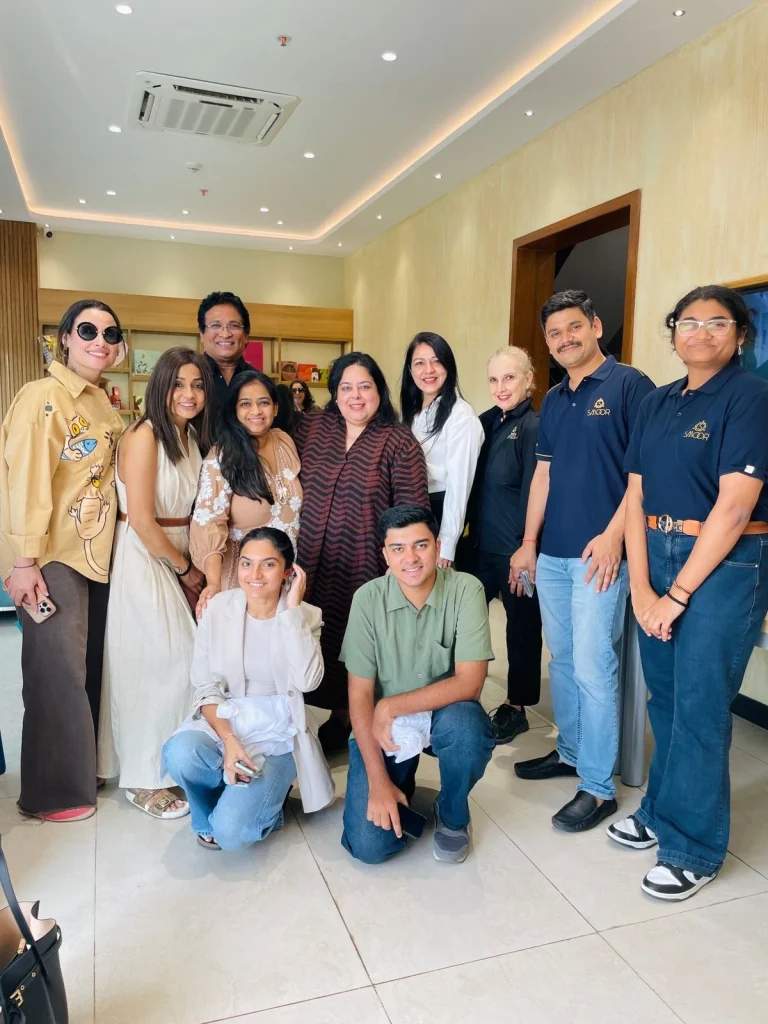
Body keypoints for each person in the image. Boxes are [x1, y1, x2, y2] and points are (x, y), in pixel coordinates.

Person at [610, 285, 768, 901]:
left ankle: (693, 847)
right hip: (657, 550)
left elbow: (734, 508)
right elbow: (635, 496)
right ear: (673, 331)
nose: (700, 332)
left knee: (701, 705)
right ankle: (659, 810)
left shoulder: (750, 396)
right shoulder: (657, 401)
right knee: (667, 699)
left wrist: (674, 596)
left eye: (717, 322)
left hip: (727, 561)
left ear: (740, 334)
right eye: (688, 322)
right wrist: (640, 586)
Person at [510, 290, 655, 832]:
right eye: (554, 333)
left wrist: (615, 537)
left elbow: (644, 475)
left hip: (601, 556)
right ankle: (570, 751)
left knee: (595, 667)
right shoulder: (554, 399)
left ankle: (597, 787)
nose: (565, 339)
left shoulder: (630, 385)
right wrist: (529, 542)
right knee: (564, 661)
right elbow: (543, 476)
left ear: (595, 326)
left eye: (574, 327)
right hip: (553, 555)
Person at [0, 299, 126, 821]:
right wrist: (23, 560)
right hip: (53, 555)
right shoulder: (43, 397)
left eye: (110, 333)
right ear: (65, 338)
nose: (100, 341)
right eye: (87, 330)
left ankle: (81, 768)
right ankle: (52, 791)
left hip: (95, 554)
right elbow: (26, 480)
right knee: (55, 672)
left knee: (87, 668)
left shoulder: (102, 403)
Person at [162, 527, 334, 851]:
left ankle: (263, 804)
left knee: (231, 834)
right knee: (181, 753)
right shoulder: (218, 608)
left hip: (277, 733)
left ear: (288, 572)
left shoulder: (306, 615)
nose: (254, 575)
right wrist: (229, 741)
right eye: (246, 563)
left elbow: (308, 681)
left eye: (268, 564)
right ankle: (214, 811)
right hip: (228, 722)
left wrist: (292, 613)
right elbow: (205, 685)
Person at [340, 505, 495, 864]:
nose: (410, 558)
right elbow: (359, 695)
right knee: (369, 846)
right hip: (386, 728)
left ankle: (452, 812)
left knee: (468, 731)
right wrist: (379, 781)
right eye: (398, 548)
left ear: (437, 547)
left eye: (420, 545)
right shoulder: (367, 599)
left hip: (445, 714)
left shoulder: (466, 589)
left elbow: (470, 684)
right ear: (385, 555)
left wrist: (391, 705)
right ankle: (398, 779)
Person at [98, 347, 214, 819]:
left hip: (180, 550)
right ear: (160, 387)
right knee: (158, 664)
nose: (189, 394)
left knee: (184, 665)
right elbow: (144, 521)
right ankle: (143, 777)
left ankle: (172, 761)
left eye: (198, 385)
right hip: (147, 556)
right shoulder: (145, 435)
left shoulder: (191, 436)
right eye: (179, 384)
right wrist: (185, 569)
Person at [294, 353, 429, 752]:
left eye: (365, 387)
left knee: (354, 643)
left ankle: (349, 718)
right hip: (308, 560)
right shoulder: (312, 429)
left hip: (363, 563)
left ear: (379, 391)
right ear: (334, 393)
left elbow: (412, 512)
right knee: (304, 636)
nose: (356, 396)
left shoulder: (398, 440)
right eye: (346, 387)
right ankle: (297, 720)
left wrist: (399, 565)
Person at [465, 347, 542, 743]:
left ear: (529, 379)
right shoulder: (485, 423)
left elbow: (537, 490)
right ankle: (462, 693)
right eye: (494, 379)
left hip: (515, 549)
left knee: (522, 628)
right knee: (465, 623)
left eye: (509, 378)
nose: (501, 387)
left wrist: (527, 547)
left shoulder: (533, 427)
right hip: (479, 546)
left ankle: (517, 706)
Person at [190, 369, 302, 613]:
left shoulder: (284, 442)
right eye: (245, 404)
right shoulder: (222, 456)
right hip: (242, 584)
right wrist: (213, 583)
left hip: (284, 583)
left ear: (275, 408)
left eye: (263, 403)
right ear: (234, 410)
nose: (256, 411)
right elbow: (208, 523)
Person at [400, 332, 483, 568]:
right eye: (420, 363)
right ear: (410, 370)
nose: (429, 370)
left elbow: (459, 485)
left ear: (449, 366)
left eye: (437, 361)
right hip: (412, 510)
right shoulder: (413, 411)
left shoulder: (461, 415)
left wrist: (446, 544)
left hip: (438, 512)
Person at [198, 291, 251, 425]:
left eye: (234, 326)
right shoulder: (187, 379)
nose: (225, 334)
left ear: (246, 335)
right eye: (216, 325)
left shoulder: (259, 381)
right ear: (202, 334)